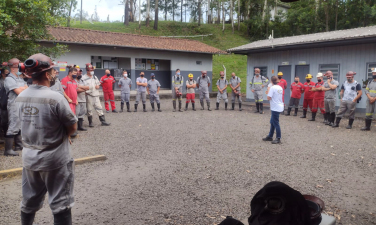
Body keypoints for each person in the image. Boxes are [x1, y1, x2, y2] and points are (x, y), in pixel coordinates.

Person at [15, 53, 77, 225]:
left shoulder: (21, 97)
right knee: (61, 204)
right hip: (55, 158)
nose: (54, 74)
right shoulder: (55, 97)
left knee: (29, 201)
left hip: (29, 157)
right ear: (46, 74)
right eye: (52, 70)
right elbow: (72, 127)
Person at [4, 58, 27, 156]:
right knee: (13, 125)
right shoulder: (9, 79)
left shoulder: (19, 78)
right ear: (13, 68)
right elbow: (18, 92)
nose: (20, 69)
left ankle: (18, 145)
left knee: (20, 125)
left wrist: (22, 88)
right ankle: (8, 150)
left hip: (21, 104)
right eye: (18, 67)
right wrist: (23, 88)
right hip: (13, 105)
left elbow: (27, 89)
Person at [263, 76, 283, 144]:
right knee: (272, 122)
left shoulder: (272, 88)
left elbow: (269, 98)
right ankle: (270, 136)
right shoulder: (280, 87)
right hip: (279, 105)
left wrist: (268, 91)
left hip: (275, 107)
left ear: (271, 81)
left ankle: (278, 138)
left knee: (276, 123)